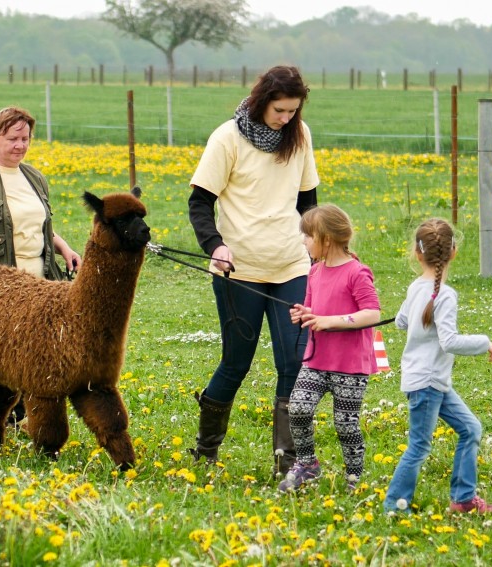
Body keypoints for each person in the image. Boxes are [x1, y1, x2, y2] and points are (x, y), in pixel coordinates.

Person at [187, 65, 319, 475]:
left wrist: (319, 248)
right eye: (280, 110)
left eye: (293, 111)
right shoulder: (226, 138)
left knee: (294, 364)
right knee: (236, 362)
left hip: (292, 266)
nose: (286, 118)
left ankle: (288, 462)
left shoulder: (300, 136)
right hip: (238, 271)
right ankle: (206, 449)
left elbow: (308, 201)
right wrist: (216, 246)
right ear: (263, 101)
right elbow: (199, 203)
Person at [0, 106, 82, 424]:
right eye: (13, 138)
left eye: (25, 139)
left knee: (36, 351)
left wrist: (64, 248)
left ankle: (27, 417)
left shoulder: (35, 177)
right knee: (3, 354)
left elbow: (39, 224)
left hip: (39, 281)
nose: (20, 145)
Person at [383, 218, 492, 514]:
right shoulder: (444, 295)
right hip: (427, 381)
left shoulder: (416, 287)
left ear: (417, 253)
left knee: (471, 428)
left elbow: (400, 322)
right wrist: (483, 341)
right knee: (419, 446)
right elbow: (448, 341)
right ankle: (394, 506)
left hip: (431, 380)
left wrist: (412, 308)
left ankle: (463, 500)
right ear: (454, 252)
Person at [278, 205, 381, 492]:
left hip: (349, 365)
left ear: (326, 238)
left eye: (308, 236)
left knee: (346, 424)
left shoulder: (357, 272)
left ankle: (354, 476)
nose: (304, 242)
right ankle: (308, 465)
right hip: (316, 359)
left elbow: (371, 313)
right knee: (297, 407)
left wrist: (328, 320)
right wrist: (305, 314)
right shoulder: (314, 272)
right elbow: (316, 308)